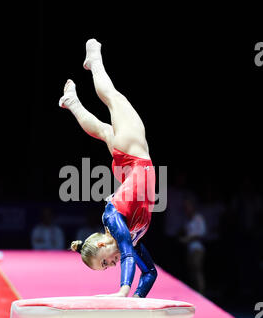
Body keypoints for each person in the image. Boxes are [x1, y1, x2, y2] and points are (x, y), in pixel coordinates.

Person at [59, 39, 157, 298]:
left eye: (104, 262)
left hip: (134, 156)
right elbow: (149, 273)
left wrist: (123, 291)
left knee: (113, 97)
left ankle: (95, 60)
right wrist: (135, 302)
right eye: (107, 268)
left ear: (101, 243)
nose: (111, 266)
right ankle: (72, 101)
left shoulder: (112, 221)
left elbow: (125, 252)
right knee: (104, 131)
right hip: (129, 165)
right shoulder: (128, 237)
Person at [180, 196, 207, 294]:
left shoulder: (198, 218)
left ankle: (201, 292)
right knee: (191, 271)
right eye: (185, 207)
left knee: (197, 270)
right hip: (189, 248)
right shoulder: (186, 220)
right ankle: (195, 292)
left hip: (197, 248)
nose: (186, 209)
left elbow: (202, 233)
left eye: (188, 206)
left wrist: (188, 239)